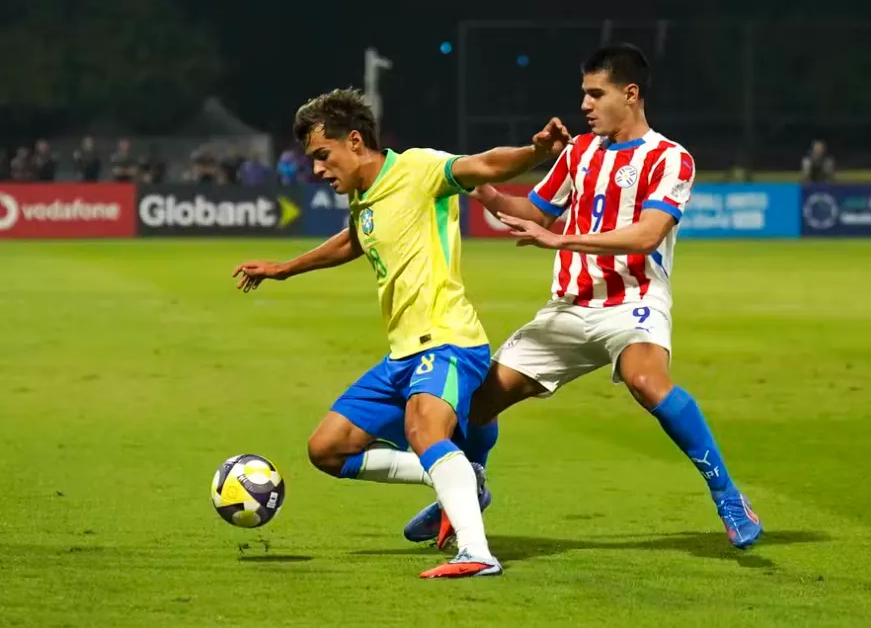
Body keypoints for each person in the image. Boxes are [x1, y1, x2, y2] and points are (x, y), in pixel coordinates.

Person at [404, 43, 763, 551]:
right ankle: (468, 489)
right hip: (569, 309)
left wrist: (560, 239)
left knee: (645, 380)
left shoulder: (670, 158)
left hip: (632, 302)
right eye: (584, 94)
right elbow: (532, 211)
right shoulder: (579, 152)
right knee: (478, 402)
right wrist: (476, 184)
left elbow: (645, 236)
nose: (586, 105)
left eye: (597, 94)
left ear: (630, 94)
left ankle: (728, 496)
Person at [231, 88, 569, 578]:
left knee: (423, 430)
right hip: (402, 355)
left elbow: (485, 166)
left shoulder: (419, 168)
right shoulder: (363, 197)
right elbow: (355, 238)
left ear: (353, 141)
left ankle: (476, 553)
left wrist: (536, 152)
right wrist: (284, 268)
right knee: (326, 449)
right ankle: (459, 475)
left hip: (449, 339)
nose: (318, 170)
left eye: (323, 156)